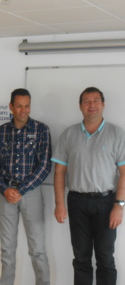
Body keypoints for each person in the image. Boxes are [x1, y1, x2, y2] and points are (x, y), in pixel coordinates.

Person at [52, 86, 125, 285]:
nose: (91, 105)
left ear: (103, 105)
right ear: (80, 106)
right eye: (86, 101)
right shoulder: (69, 134)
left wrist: (119, 206)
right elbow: (59, 172)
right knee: (81, 258)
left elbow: (124, 173)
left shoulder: (117, 134)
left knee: (105, 258)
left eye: (95, 100)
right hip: (77, 202)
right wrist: (59, 204)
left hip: (107, 203)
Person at [0, 88, 51, 285]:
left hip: (31, 194)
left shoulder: (41, 130)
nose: (23, 110)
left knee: (38, 250)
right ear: (11, 107)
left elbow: (44, 166)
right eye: (19, 106)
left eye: (26, 106)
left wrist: (21, 190)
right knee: (7, 250)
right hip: (6, 195)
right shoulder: (1, 132)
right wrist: (5, 189)